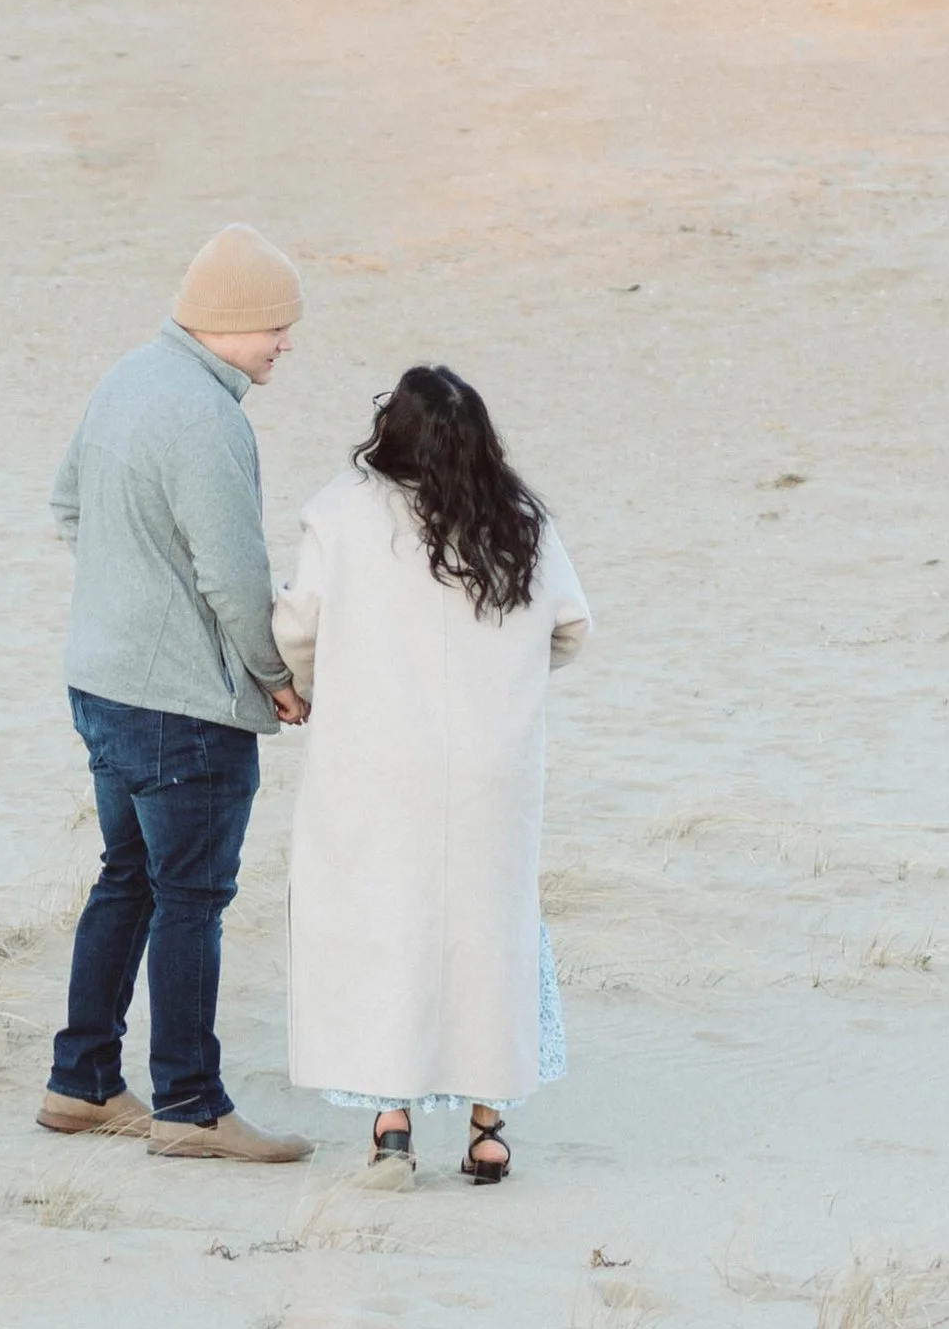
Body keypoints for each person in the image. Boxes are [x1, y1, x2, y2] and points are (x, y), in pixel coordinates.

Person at [273, 363, 591, 1186]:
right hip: (494, 766)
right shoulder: (519, 519)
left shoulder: (342, 512)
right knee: (491, 931)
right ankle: (488, 1132)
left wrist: (305, 688)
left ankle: (392, 1127)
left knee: (387, 926)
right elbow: (570, 629)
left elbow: (298, 631)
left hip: (377, 759)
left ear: (394, 432)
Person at [39, 224, 316, 1164]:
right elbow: (238, 580)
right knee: (190, 897)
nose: (286, 342)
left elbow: (68, 505)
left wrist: (130, 594)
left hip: (101, 683)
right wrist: (278, 678)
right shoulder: (207, 418)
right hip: (180, 707)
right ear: (232, 323)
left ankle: (81, 1085)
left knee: (128, 879)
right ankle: (192, 1109)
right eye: (277, 326)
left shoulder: (126, 377)